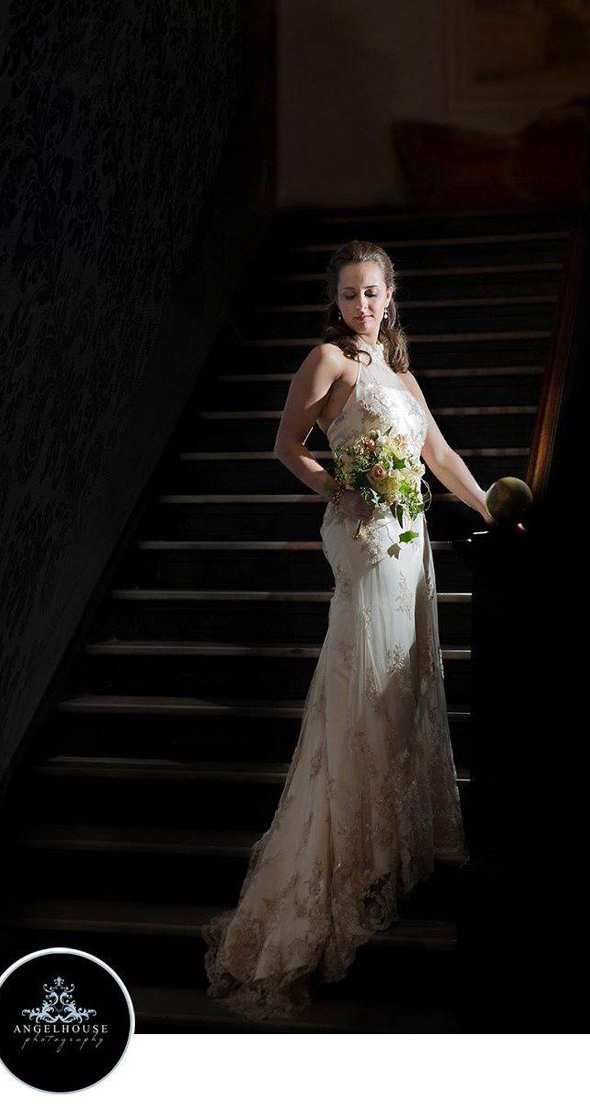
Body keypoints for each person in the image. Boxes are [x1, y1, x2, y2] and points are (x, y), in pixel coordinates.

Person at [201, 239, 493, 1023]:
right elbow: (284, 445)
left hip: (412, 543)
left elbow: (439, 454)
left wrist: (492, 509)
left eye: (373, 293)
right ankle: (348, 857)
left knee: (403, 688)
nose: (362, 306)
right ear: (335, 302)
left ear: (391, 298)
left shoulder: (400, 374)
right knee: (365, 685)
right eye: (350, 295)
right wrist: (346, 491)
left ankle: (385, 851)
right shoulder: (328, 361)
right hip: (366, 539)